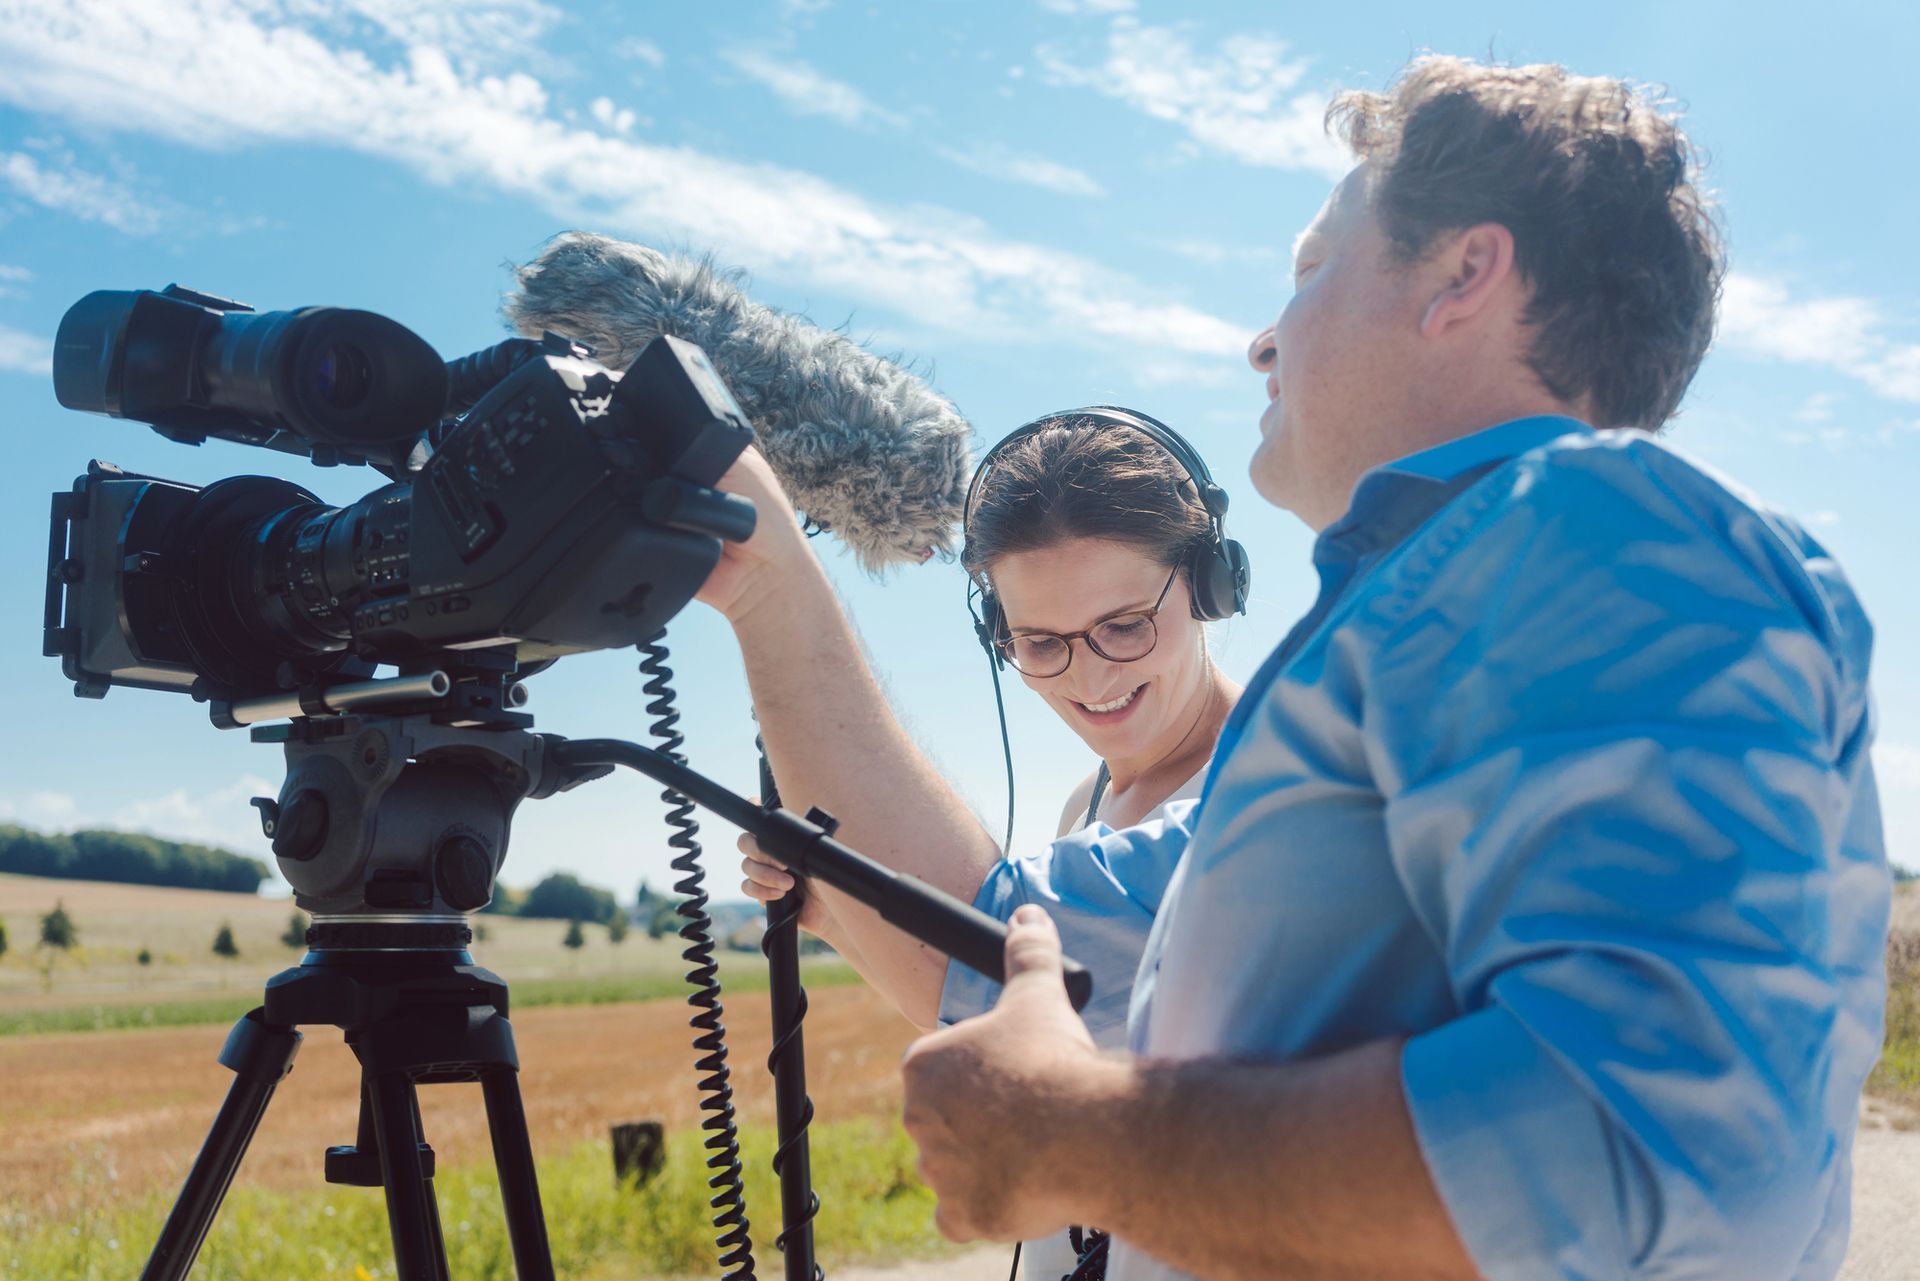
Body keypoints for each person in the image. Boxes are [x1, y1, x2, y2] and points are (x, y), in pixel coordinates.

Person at [699, 54, 1890, 1281]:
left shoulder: (1599, 529)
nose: (1265, 339)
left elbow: (1663, 1161)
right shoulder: (1432, 626)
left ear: (1464, 276)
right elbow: (988, 950)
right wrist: (766, 583)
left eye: (1315, 267)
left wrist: (1086, 1142)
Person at [744, 407, 1246, 1281]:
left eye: (1125, 624)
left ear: (1209, 583)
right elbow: (1014, 1011)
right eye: (1041, 643)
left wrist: (768, 585)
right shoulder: (1082, 804)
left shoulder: (1267, 789)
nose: (1092, 680)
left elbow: (976, 965)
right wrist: (834, 915)